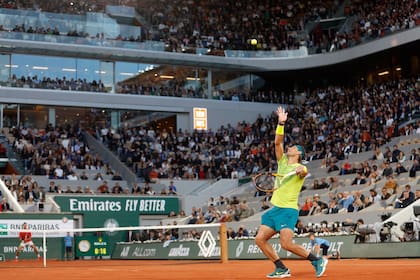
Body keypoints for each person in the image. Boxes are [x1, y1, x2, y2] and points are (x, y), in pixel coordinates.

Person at [255, 106, 327, 278]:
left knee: (286, 244)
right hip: (275, 209)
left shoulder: (301, 166)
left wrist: (299, 171)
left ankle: (316, 260)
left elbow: (304, 171)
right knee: (259, 239)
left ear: (299, 153)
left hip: (288, 210)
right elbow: (277, 142)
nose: (290, 147)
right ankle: (281, 268)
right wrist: (281, 123)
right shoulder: (282, 162)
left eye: (294, 147)